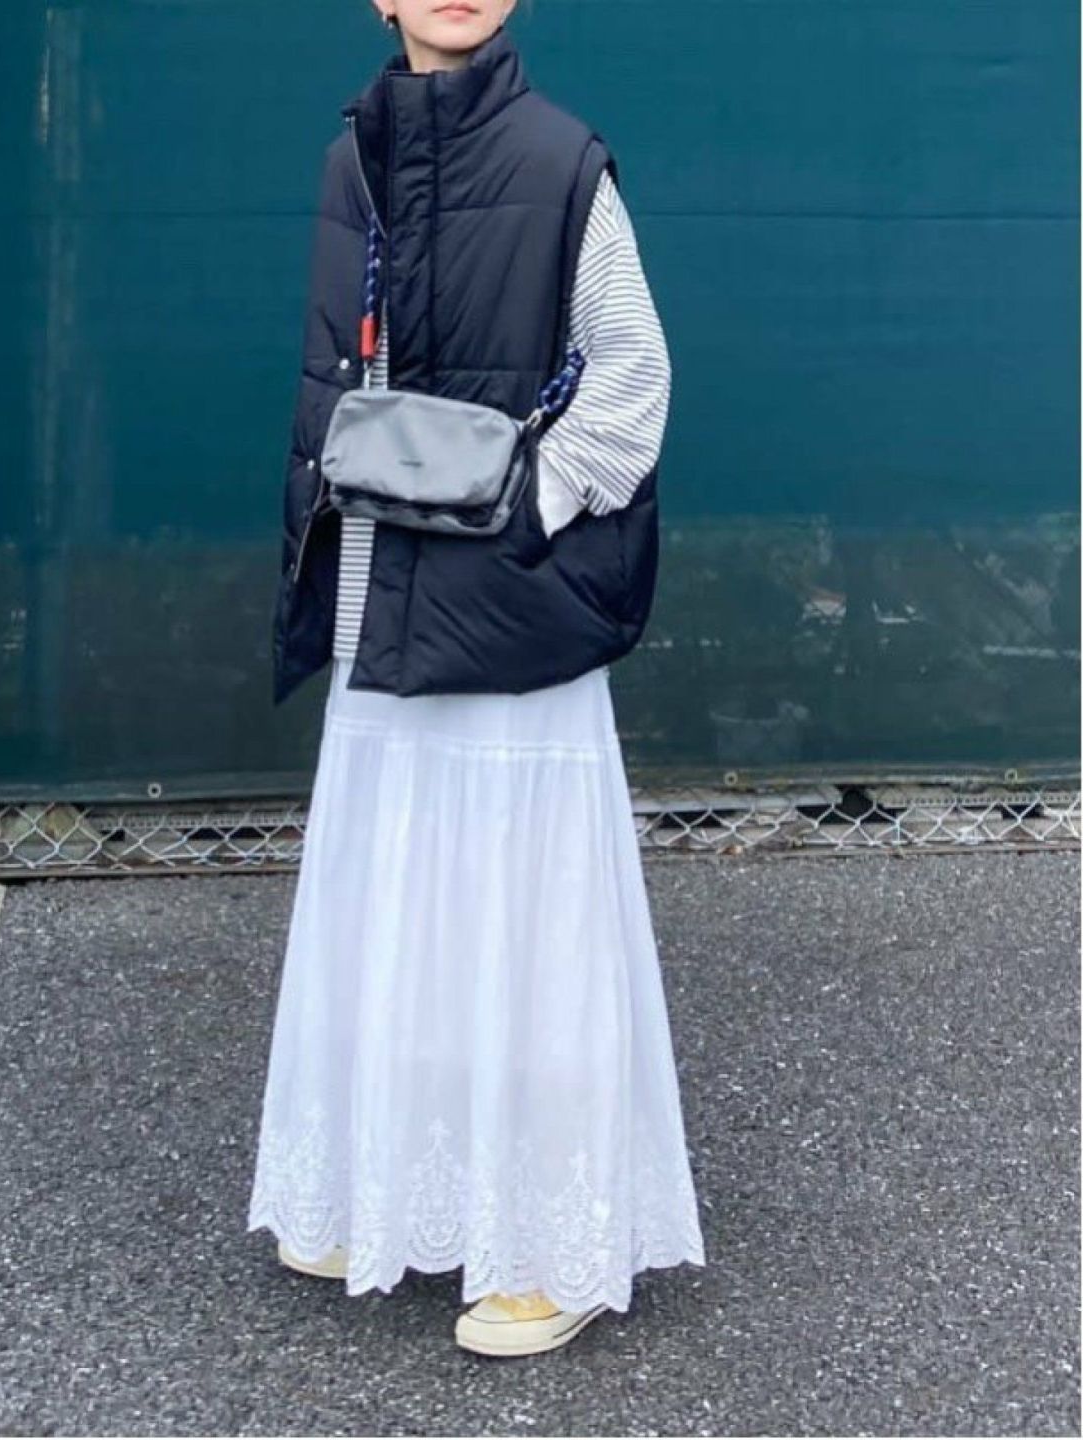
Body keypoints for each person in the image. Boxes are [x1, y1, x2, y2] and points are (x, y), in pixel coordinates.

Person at [247, 0, 706, 1358]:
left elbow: (632, 381)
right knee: (391, 898)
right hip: (373, 599)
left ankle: (553, 1247)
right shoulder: (349, 156)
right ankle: (385, 1192)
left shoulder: (566, 159)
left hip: (512, 613)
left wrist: (522, 512)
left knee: (530, 916)